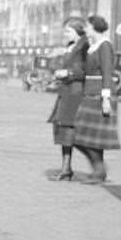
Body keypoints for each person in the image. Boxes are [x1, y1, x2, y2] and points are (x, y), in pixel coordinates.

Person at [72, 15, 120, 182]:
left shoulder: (105, 45)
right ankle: (98, 169)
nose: (85, 30)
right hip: (90, 94)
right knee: (88, 136)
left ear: (93, 27)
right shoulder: (92, 47)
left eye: (87, 26)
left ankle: (99, 169)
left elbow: (107, 72)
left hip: (100, 95)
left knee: (82, 134)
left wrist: (106, 99)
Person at [45, 18, 88, 181]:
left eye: (68, 31)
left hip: (75, 94)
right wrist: (58, 72)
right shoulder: (71, 47)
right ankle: (66, 168)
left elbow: (86, 70)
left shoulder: (84, 47)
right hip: (67, 92)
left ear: (77, 31)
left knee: (70, 130)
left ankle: (74, 168)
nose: (65, 34)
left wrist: (69, 73)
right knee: (64, 129)